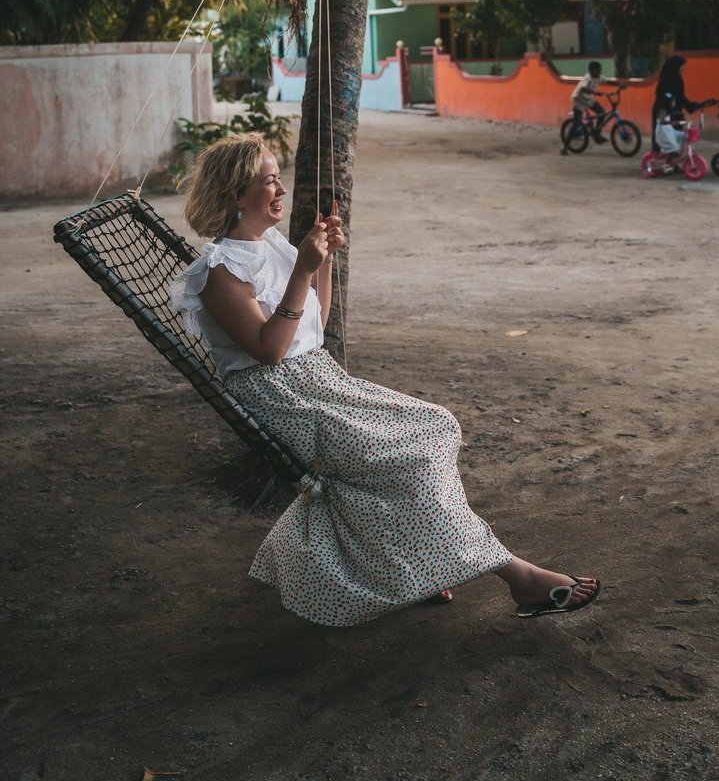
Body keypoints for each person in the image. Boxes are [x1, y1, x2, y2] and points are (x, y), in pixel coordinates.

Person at [169, 133, 600, 628]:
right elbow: (270, 350)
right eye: (269, 182)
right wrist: (303, 271)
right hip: (282, 396)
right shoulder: (218, 269)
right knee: (407, 458)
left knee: (435, 425)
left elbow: (315, 325)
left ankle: (429, 561)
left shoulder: (271, 245)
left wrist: (321, 262)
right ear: (235, 195)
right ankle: (519, 577)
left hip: (317, 379)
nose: (281, 190)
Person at [561, 60, 610, 153]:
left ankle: (596, 134)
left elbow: (608, 81)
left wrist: (620, 85)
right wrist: (596, 93)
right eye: (597, 70)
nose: (599, 72)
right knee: (576, 123)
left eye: (600, 70)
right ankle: (565, 146)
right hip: (578, 99)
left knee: (602, 113)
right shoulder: (587, 78)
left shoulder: (599, 77)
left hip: (587, 98)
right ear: (592, 71)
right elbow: (583, 88)